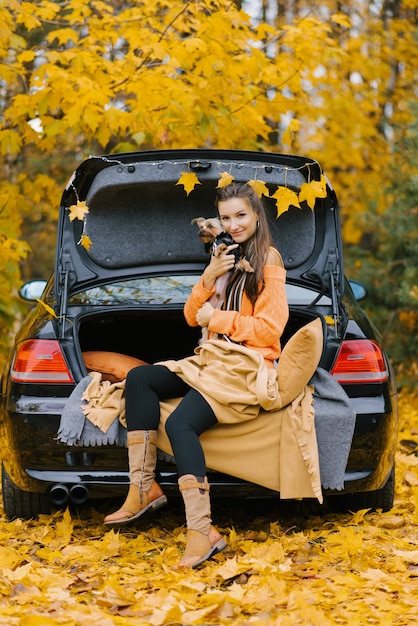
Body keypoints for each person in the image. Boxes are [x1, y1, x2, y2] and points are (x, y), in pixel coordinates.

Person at [103, 182, 289, 568]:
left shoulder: (268, 259)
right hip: (210, 359)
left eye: (241, 215)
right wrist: (208, 277)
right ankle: (142, 488)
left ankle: (202, 531)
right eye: (225, 217)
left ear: (256, 216)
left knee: (182, 424)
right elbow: (190, 316)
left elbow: (270, 330)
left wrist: (216, 318)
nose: (233, 224)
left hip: (243, 367)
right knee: (140, 379)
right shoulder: (222, 256)